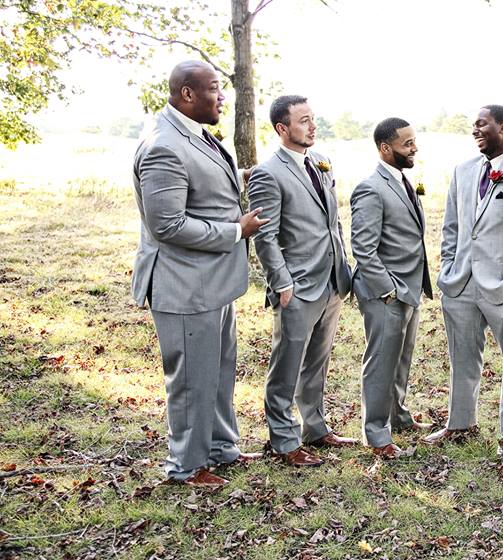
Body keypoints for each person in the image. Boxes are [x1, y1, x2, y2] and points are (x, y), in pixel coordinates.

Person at [131, 60, 267, 487]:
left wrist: (245, 176)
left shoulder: (195, 134)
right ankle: (186, 466)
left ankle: (221, 448)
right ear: (187, 94)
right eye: (214, 89)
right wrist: (236, 230)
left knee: (218, 369)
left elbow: (205, 187)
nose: (222, 97)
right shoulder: (163, 146)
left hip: (213, 281)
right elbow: (167, 224)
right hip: (184, 283)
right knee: (190, 378)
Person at [425, 105, 503, 455]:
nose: (475, 131)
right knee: (463, 357)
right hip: (461, 282)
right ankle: (460, 423)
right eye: (473, 126)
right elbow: (451, 227)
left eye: (482, 125)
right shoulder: (463, 172)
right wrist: (448, 266)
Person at [247, 95, 356, 467]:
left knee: (317, 363)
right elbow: (265, 236)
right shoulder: (268, 173)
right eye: (304, 121)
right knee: (287, 365)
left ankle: (315, 428)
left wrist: (343, 267)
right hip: (296, 287)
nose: (312, 126)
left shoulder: (321, 162)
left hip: (331, 281)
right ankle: (283, 441)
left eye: (313, 119)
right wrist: (282, 283)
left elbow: (333, 222)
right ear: (282, 129)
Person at [351, 117, 433, 459]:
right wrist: (389, 290)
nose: (414, 148)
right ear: (386, 149)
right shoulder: (371, 188)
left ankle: (397, 415)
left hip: (409, 288)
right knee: (382, 361)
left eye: (414, 141)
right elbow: (363, 248)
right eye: (407, 144)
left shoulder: (402, 181)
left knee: (401, 359)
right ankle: (377, 433)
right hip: (386, 292)